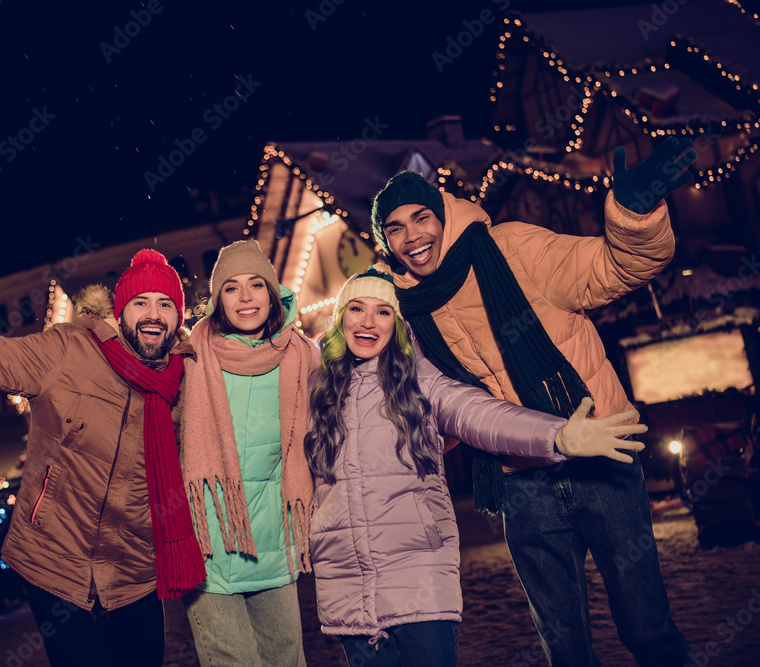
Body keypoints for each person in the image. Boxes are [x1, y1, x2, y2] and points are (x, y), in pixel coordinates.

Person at [370, 137, 695, 665]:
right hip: (520, 481)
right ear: (386, 242)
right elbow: (446, 410)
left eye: (420, 217)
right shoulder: (407, 311)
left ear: (444, 215)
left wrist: (636, 214)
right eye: (395, 228)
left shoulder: (512, 248)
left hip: (602, 455)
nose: (413, 236)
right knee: (564, 646)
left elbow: (613, 268)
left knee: (646, 627)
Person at [0, 219, 205, 667]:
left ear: (178, 317)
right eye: (140, 301)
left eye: (165, 304)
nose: (153, 314)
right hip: (54, 565)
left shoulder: (189, 381)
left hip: (136, 574)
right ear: (120, 312)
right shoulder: (67, 352)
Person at [305, 268, 650, 667]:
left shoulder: (421, 383)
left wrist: (556, 436)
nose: (367, 321)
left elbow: (482, 416)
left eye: (383, 312)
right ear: (340, 318)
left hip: (419, 575)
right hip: (345, 584)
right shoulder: (314, 389)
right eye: (357, 308)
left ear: (398, 326)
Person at [178, 239, 320, 667]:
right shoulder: (187, 357)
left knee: (287, 660)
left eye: (256, 285)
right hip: (206, 549)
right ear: (217, 299)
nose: (245, 297)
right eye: (231, 287)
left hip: (273, 543)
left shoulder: (303, 358)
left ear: (273, 294)